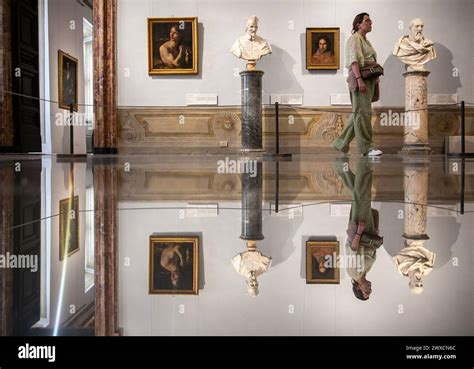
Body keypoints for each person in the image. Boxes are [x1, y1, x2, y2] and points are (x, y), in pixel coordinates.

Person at [332, 12, 383, 157]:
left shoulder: (366, 41)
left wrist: (376, 81)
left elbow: (371, 61)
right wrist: (360, 79)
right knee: (363, 114)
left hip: (370, 79)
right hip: (361, 78)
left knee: (359, 113)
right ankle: (367, 148)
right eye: (367, 20)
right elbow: (354, 61)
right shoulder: (354, 39)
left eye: (370, 20)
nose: (370, 22)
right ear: (358, 24)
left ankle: (340, 143)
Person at [333, 158, 382, 301]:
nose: (370, 290)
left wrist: (360, 231)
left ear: (358, 288)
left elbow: (352, 249)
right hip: (369, 231)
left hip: (362, 230)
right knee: (360, 195)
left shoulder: (354, 272)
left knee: (362, 195)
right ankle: (340, 163)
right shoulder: (364, 272)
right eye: (370, 292)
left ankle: (365, 160)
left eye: (367, 292)